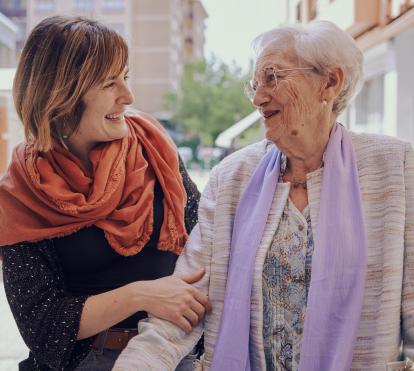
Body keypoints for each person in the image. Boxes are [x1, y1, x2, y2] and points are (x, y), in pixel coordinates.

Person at [113, 20, 414, 371]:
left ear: (330, 82)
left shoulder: (396, 168)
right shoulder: (232, 177)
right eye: (254, 86)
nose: (258, 99)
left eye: (273, 78)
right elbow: (182, 310)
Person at [0, 16, 211, 371]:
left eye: (125, 78)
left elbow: (210, 253)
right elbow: (44, 327)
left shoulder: (156, 152)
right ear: (62, 92)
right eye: (109, 84)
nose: (127, 97)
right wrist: (140, 295)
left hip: (170, 354)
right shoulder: (21, 193)